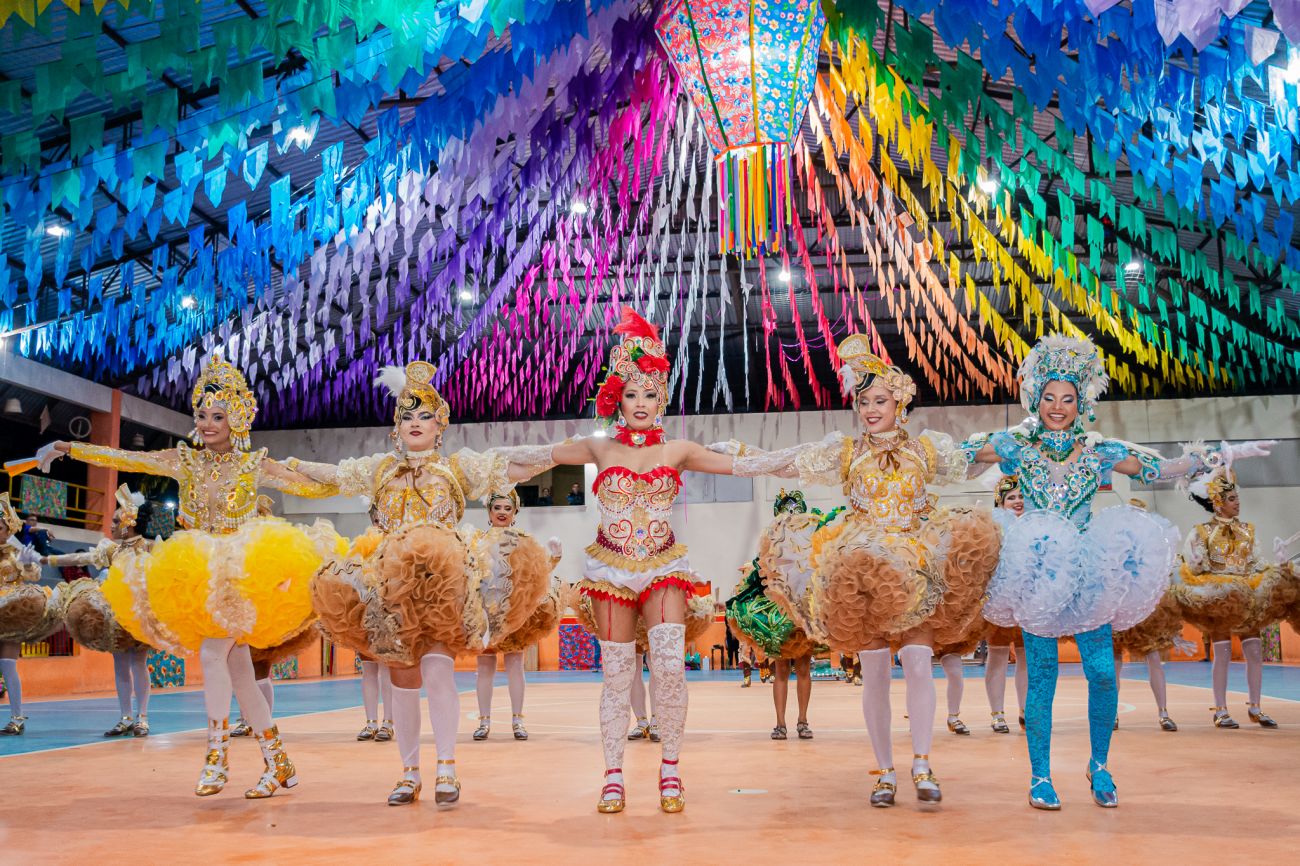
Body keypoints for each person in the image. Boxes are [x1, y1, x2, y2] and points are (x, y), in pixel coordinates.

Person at [962, 333, 1274, 810]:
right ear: (1036, 398)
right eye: (1049, 397)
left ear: (1081, 402)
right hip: (1040, 572)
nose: (1058, 407)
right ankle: (1040, 776)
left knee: (1103, 674)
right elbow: (959, 455)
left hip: (1088, 572)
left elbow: (1160, 469)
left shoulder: (1099, 451)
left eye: (1068, 398)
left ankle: (1100, 765)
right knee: (1041, 676)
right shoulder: (1018, 446)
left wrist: (1218, 457)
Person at [717, 334, 1002, 807]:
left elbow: (973, 458)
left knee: (918, 662)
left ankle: (922, 764)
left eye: (880, 401)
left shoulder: (925, 451)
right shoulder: (847, 452)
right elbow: (788, 463)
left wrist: (1029, 444)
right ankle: (885, 772)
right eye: (864, 401)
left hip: (917, 566)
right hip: (863, 573)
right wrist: (739, 458)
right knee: (875, 673)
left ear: (899, 403)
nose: (870, 409)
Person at [37, 357, 342, 797]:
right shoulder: (183, 461)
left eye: (218, 416)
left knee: (214, 656)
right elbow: (128, 457)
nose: (208, 424)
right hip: (197, 575)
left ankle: (217, 757)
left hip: (242, 577)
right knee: (240, 676)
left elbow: (314, 488)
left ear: (236, 419)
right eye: (202, 415)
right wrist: (70, 447)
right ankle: (279, 762)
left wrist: (335, 472)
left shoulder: (254, 464)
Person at [504, 307, 746, 815]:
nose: (640, 403)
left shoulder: (679, 449)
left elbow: (743, 465)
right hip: (611, 572)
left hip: (663, 567)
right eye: (631, 394)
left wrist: (808, 460)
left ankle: (671, 769)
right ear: (618, 398)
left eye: (649, 394)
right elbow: (537, 457)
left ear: (661, 399)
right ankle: (612, 774)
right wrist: (476, 464)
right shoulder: (600, 447)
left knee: (670, 670)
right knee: (617, 675)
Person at [293, 361, 550, 806]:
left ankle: (446, 767)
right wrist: (276, 466)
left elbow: (516, 463)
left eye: (424, 415)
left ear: (439, 425)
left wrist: (572, 451)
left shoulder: (456, 468)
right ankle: (409, 773)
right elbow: (327, 476)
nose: (415, 423)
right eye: (407, 416)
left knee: (437, 669)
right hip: (392, 589)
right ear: (396, 428)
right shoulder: (378, 471)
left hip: (442, 588)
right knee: (403, 680)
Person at [1170, 465, 1298, 729]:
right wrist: (1195, 563)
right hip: (1220, 599)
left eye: (1237, 498)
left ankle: (1255, 707)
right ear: (1218, 503)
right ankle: (1220, 710)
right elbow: (1193, 567)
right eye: (1231, 499)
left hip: (1247, 596)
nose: (1237, 502)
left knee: (1255, 651)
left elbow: (1256, 563)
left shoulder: (1248, 530)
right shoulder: (1202, 532)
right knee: (1223, 652)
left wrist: (1278, 563)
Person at [44, 485, 155, 737]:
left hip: (140, 612)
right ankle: (125, 717)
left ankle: (142, 717)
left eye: (116, 521)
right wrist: (47, 559)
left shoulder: (149, 548)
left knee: (138, 662)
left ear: (130, 522)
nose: (111, 525)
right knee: (120, 664)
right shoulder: (112, 550)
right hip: (115, 612)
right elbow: (80, 559)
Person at [726, 490, 836, 741]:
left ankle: (802, 721)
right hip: (777, 615)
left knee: (804, 668)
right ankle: (781, 724)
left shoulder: (810, 547)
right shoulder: (772, 543)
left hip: (802, 613)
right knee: (782, 670)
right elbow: (760, 574)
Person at [470, 490, 563, 742]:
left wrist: (554, 558)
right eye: (497, 507)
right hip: (486, 614)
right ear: (489, 512)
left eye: (507, 508)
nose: (502, 512)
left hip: (514, 613)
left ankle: (517, 721)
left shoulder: (523, 542)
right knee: (485, 667)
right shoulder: (477, 542)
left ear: (515, 512)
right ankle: (484, 722)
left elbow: (538, 575)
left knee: (514, 665)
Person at [0, 493, 54, 735]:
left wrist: (28, 563)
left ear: (9, 529)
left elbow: (35, 575)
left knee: (7, 665)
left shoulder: (17, 551)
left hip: (11, 613)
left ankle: (17, 718)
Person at [984, 476, 1027, 732]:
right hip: (999, 600)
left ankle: (1025, 711)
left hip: (1029, 602)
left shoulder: (1035, 526)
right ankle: (997, 714)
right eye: (1011, 497)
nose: (1018, 501)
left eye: (1021, 496)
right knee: (998, 655)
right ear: (1000, 503)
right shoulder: (992, 529)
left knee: (1026, 657)